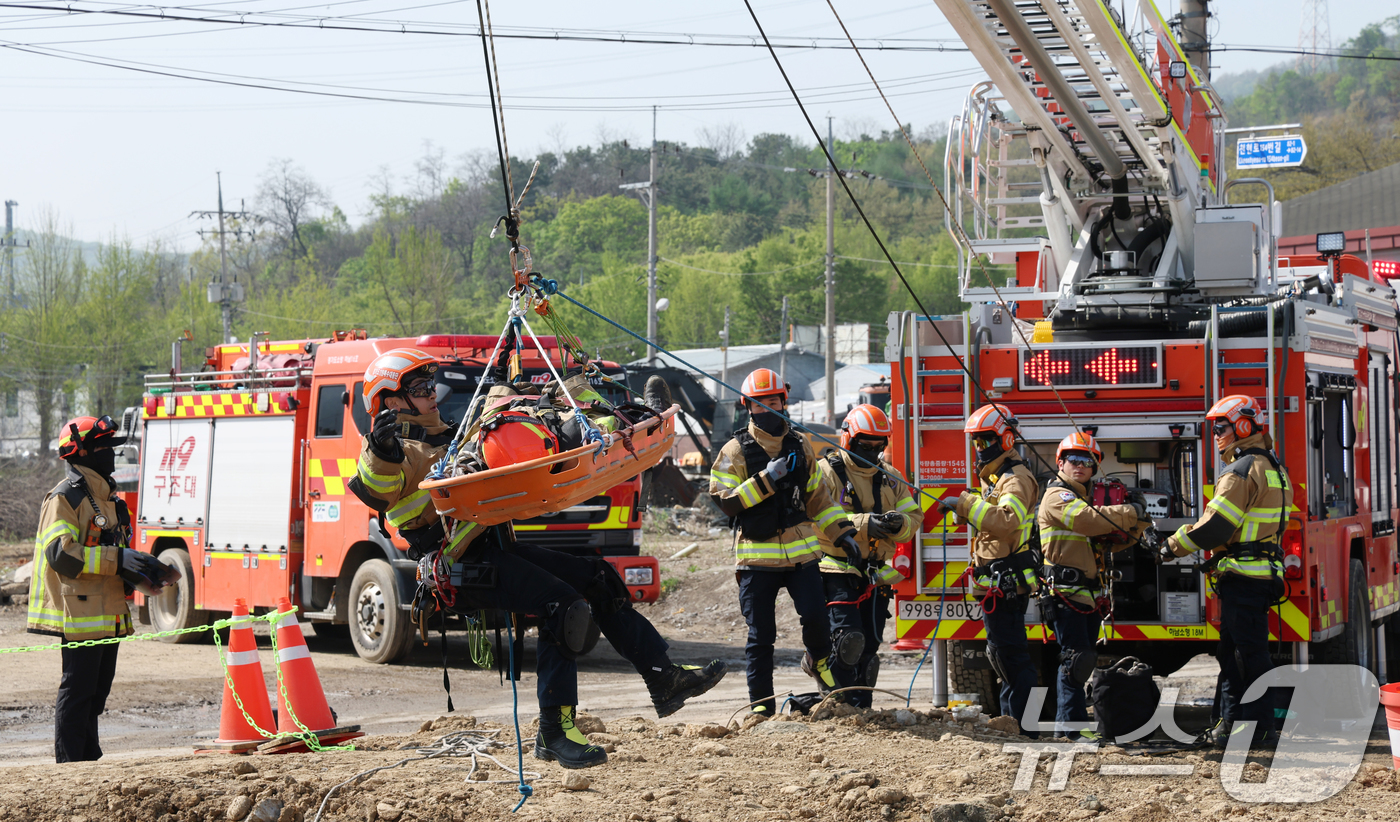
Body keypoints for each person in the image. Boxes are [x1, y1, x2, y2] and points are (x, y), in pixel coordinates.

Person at [350, 348, 725, 770]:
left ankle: (664, 677)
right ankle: (555, 733)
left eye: (430, 384)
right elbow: (376, 486)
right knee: (562, 605)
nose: (431, 393)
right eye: (419, 388)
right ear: (390, 401)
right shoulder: (395, 451)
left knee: (597, 577)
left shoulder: (453, 436)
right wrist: (380, 446)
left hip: (494, 550)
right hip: (455, 567)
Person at [709, 367, 858, 717]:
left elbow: (818, 497)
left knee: (817, 620)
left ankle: (820, 664)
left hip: (802, 556)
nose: (770, 408)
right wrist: (766, 478)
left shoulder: (800, 444)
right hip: (756, 562)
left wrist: (842, 532)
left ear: (785, 401)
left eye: (775, 401)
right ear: (748, 406)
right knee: (761, 639)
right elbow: (725, 500)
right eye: (762, 403)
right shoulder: (735, 451)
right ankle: (761, 709)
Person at [28, 414, 174, 762]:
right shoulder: (64, 498)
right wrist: (117, 561)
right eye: (106, 447)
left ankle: (88, 755)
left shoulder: (109, 500)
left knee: (96, 692)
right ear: (83, 452)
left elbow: (112, 553)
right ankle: (70, 762)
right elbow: (60, 554)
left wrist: (141, 572)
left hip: (106, 613)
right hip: (79, 612)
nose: (113, 454)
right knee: (77, 690)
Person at [1163, 395, 1291, 749]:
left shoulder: (1241, 470)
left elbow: (1215, 527)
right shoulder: (1274, 467)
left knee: (1245, 656)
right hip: (1259, 576)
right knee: (1236, 653)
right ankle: (1234, 725)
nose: (1216, 434)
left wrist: (1171, 546)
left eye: (1221, 427)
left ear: (1244, 426)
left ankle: (1255, 728)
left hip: (1243, 578)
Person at [933, 404, 1041, 734]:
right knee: (1004, 657)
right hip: (994, 581)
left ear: (1006, 438)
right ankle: (1016, 723)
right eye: (976, 442)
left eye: (985, 441)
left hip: (1006, 583)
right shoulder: (996, 479)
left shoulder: (1016, 479)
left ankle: (1025, 726)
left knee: (1011, 658)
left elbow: (1007, 522)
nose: (980, 449)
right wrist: (968, 511)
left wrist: (966, 504)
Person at [1037, 432, 1149, 733]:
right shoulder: (1058, 496)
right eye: (1074, 460)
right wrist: (1129, 511)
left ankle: (1070, 726)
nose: (1081, 466)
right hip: (1065, 593)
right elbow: (1087, 520)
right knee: (1075, 661)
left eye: (1088, 461)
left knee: (1081, 661)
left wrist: (1141, 521)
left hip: (1087, 595)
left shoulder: (1087, 500)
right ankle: (1070, 728)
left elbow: (1108, 543)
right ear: (1060, 462)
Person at [814, 405, 920, 708]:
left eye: (879, 445)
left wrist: (900, 525)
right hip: (836, 569)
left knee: (870, 646)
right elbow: (817, 520)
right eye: (865, 445)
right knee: (849, 642)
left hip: (875, 573)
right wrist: (865, 524)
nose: (872, 452)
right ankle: (839, 703)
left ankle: (861, 708)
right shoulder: (827, 472)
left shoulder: (891, 477)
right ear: (849, 439)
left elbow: (914, 518)